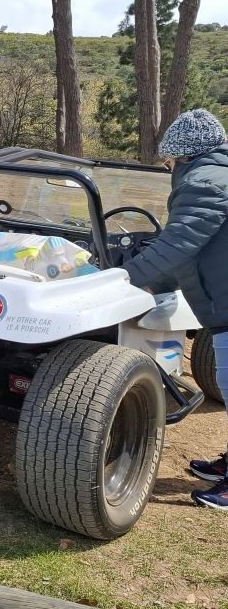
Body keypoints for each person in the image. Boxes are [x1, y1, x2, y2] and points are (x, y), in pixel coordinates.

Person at [123, 108, 228, 510]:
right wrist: (150, 280)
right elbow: (188, 254)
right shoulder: (214, 177)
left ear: (182, 155)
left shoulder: (205, 183)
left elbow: (177, 245)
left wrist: (120, 280)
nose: (167, 167)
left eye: (168, 160)